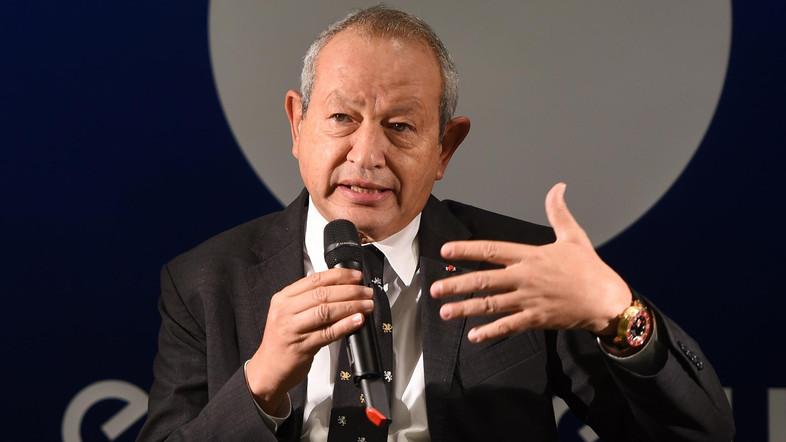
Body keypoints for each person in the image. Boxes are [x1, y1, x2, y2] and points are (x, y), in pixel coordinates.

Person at [138, 6, 734, 441]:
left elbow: (700, 434)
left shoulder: (518, 268)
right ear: (298, 124)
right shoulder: (204, 283)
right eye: (342, 118)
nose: (367, 154)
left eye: (400, 127)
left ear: (445, 148)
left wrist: (618, 312)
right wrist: (259, 386)